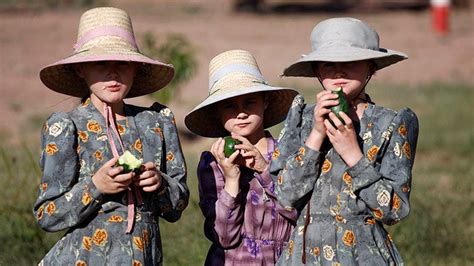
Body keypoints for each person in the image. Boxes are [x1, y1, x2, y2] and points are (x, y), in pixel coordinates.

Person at [33, 7, 189, 265]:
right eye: (101, 63)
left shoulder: (156, 123)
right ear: (81, 69)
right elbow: (47, 215)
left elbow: (177, 206)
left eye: (122, 63)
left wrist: (160, 183)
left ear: (136, 68)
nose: (113, 73)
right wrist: (96, 186)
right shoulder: (66, 127)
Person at [270, 17, 419, 265]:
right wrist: (316, 135)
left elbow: (393, 209)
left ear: (371, 67)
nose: (339, 71)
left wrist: (354, 155)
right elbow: (285, 196)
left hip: (362, 256)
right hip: (305, 256)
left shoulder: (390, 123)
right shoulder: (300, 118)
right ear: (317, 70)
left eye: (350, 62)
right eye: (328, 64)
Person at [184, 49, 299, 265]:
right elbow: (224, 237)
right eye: (229, 105)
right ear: (217, 111)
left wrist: (265, 169)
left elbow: (299, 214)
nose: (241, 113)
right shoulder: (211, 164)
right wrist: (231, 180)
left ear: (265, 102)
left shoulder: (290, 153)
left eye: (250, 102)